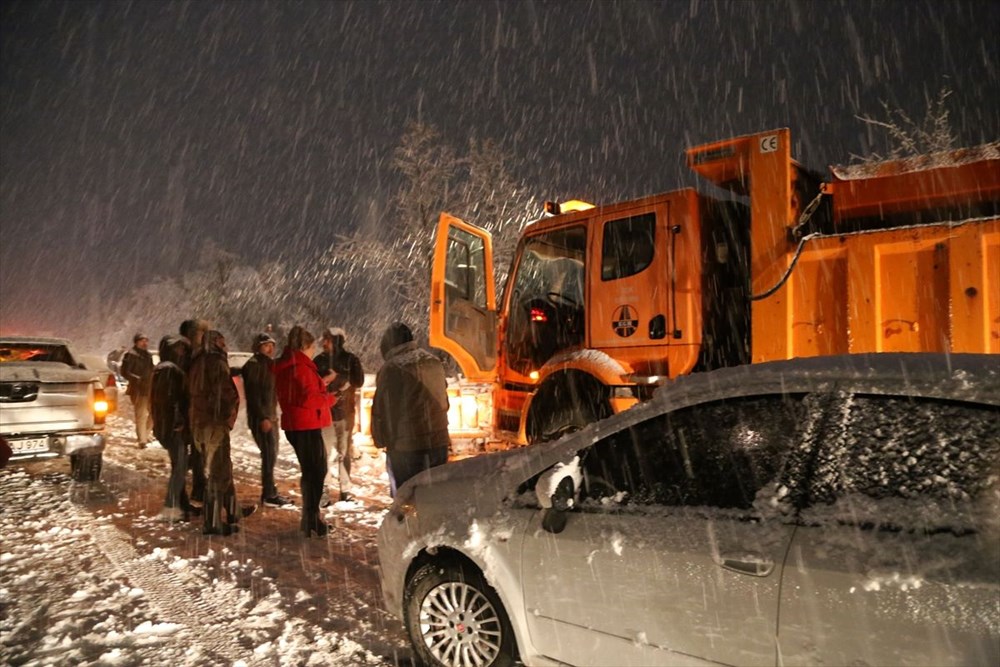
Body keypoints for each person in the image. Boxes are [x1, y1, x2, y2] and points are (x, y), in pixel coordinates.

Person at [371, 322, 451, 497]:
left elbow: (385, 411)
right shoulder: (433, 362)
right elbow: (445, 401)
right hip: (438, 441)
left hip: (406, 446)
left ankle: (407, 515)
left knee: (405, 497)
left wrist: (382, 440)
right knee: (435, 495)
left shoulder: (392, 368)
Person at [188, 330, 254, 535]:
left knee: (223, 467)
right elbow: (222, 393)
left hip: (200, 423)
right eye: (221, 341)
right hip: (213, 423)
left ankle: (233, 511)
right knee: (219, 472)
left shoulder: (198, 361)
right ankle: (212, 522)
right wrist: (226, 415)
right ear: (214, 342)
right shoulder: (214, 362)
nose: (225, 345)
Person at [273, 326, 334, 537]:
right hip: (306, 425)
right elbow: (308, 398)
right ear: (305, 346)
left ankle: (310, 518)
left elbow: (298, 393)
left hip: (296, 424)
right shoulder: (300, 367)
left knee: (311, 471)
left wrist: (321, 385)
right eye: (312, 347)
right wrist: (330, 398)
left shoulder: (288, 366)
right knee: (316, 471)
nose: (313, 351)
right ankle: (311, 518)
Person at [150, 335, 199, 522]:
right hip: (173, 427)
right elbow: (169, 400)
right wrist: (178, 421)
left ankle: (181, 502)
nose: (182, 353)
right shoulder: (168, 370)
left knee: (180, 464)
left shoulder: (166, 369)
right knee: (180, 466)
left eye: (184, 349)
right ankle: (171, 506)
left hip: (170, 425)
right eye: (179, 349)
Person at [314, 327, 364, 504]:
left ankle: (345, 490)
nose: (323, 342)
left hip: (345, 413)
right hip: (324, 414)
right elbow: (312, 384)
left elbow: (359, 381)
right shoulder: (318, 361)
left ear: (337, 341)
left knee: (344, 453)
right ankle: (324, 490)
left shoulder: (350, 359)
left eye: (327, 339)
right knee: (324, 453)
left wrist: (339, 377)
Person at [242, 332, 292, 507]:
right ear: (258, 347)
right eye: (266, 345)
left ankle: (270, 490)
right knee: (269, 454)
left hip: (270, 416)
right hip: (261, 418)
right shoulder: (254, 365)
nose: (270, 349)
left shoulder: (269, 364)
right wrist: (263, 417)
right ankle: (268, 494)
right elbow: (254, 394)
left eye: (272, 345)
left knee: (272, 453)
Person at [178, 319, 208, 505]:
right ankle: (182, 496)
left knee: (199, 452)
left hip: (196, 411)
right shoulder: (184, 355)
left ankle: (198, 487)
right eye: (201, 332)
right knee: (193, 452)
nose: (204, 336)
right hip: (189, 411)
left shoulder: (197, 354)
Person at [120, 333, 155, 448]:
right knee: (141, 414)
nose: (145, 343)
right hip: (138, 389)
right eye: (142, 341)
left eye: (146, 341)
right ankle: (142, 440)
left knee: (154, 413)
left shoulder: (148, 355)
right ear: (136, 342)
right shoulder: (130, 355)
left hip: (150, 387)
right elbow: (124, 371)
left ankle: (146, 433)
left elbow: (151, 369)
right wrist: (137, 379)